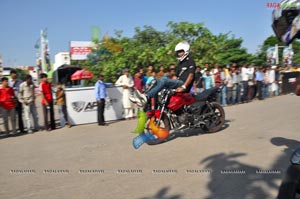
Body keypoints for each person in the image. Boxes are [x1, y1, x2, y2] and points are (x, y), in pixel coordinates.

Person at [130, 41, 196, 109]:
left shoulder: (190, 61)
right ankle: (144, 98)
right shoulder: (180, 63)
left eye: (181, 51)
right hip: (177, 83)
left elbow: (191, 76)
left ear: (186, 51)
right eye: (178, 52)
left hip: (183, 84)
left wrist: (184, 87)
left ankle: (146, 97)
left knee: (164, 80)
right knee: (155, 80)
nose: (179, 54)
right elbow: (175, 77)